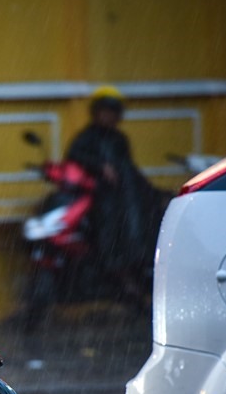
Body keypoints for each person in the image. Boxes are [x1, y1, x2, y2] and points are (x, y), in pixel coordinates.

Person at [65, 85, 161, 299]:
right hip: (100, 199)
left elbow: (129, 169)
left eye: (113, 112)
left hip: (125, 197)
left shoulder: (119, 139)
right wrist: (100, 166)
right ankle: (117, 272)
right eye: (105, 111)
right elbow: (74, 157)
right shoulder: (87, 137)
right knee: (109, 231)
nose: (109, 117)